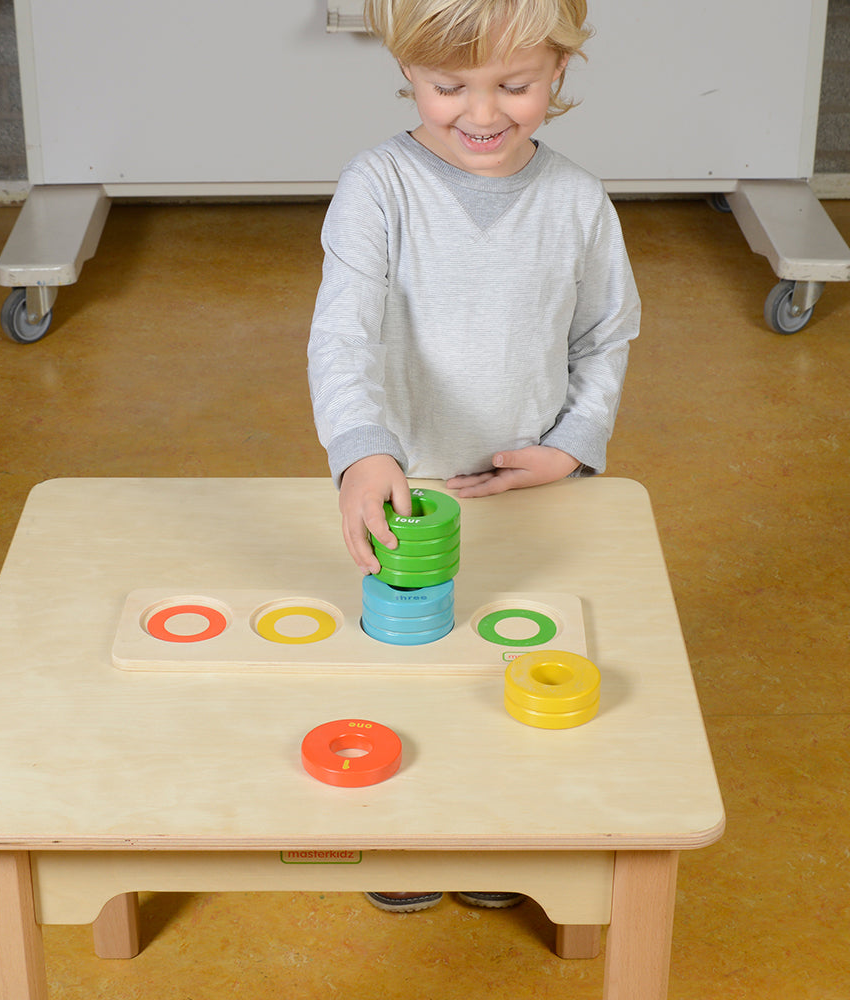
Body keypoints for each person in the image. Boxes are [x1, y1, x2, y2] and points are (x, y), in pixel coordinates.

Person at [307, 0, 640, 912]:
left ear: (560, 72)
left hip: (529, 492)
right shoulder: (378, 185)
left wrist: (571, 447)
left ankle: (505, 838)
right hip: (407, 489)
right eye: (450, 86)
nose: (483, 113)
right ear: (408, 72)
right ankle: (411, 844)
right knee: (412, 673)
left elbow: (606, 335)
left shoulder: (578, 200)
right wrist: (360, 452)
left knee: (515, 669)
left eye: (515, 85)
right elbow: (342, 335)